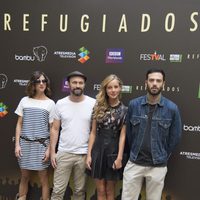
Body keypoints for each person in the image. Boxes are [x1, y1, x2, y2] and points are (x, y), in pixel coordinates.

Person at [122, 68, 182, 200]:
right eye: (151, 80)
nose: (154, 83)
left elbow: (175, 136)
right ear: (146, 83)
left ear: (163, 84)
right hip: (134, 162)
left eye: (158, 81)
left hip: (158, 166)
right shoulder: (134, 104)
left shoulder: (172, 108)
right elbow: (129, 134)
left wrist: (163, 155)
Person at [50, 71, 96, 200]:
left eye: (80, 83)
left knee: (79, 191)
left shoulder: (93, 103)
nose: (77, 85)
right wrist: (53, 152)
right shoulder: (60, 103)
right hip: (64, 153)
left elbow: (94, 131)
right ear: (68, 84)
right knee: (58, 191)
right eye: (74, 82)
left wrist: (90, 154)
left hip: (83, 155)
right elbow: (54, 129)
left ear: (84, 85)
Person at [15, 71, 55, 200]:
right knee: (24, 177)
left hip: (41, 146)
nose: (42, 83)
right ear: (33, 84)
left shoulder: (50, 103)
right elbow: (19, 124)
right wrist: (17, 145)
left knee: (44, 179)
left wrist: (49, 149)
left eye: (44, 81)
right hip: (25, 145)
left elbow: (52, 129)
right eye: (38, 81)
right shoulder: (24, 101)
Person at [86, 74, 127, 200]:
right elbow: (93, 132)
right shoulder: (98, 107)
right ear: (105, 89)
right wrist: (88, 155)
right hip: (98, 151)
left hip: (113, 152)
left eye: (116, 87)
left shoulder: (125, 110)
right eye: (110, 87)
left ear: (120, 88)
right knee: (100, 190)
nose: (113, 90)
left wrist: (119, 157)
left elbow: (123, 136)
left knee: (110, 191)